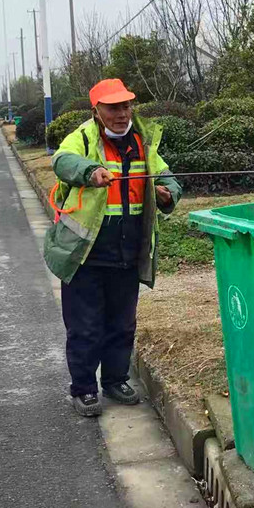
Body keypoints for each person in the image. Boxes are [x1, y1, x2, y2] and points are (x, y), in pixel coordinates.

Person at [43, 78, 182, 417]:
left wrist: (168, 192)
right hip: (85, 253)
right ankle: (84, 389)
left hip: (127, 251)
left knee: (122, 323)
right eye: (113, 107)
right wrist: (90, 172)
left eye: (126, 106)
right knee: (85, 325)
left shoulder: (142, 143)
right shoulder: (84, 137)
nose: (122, 113)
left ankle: (116, 380)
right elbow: (62, 161)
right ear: (97, 110)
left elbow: (168, 178)